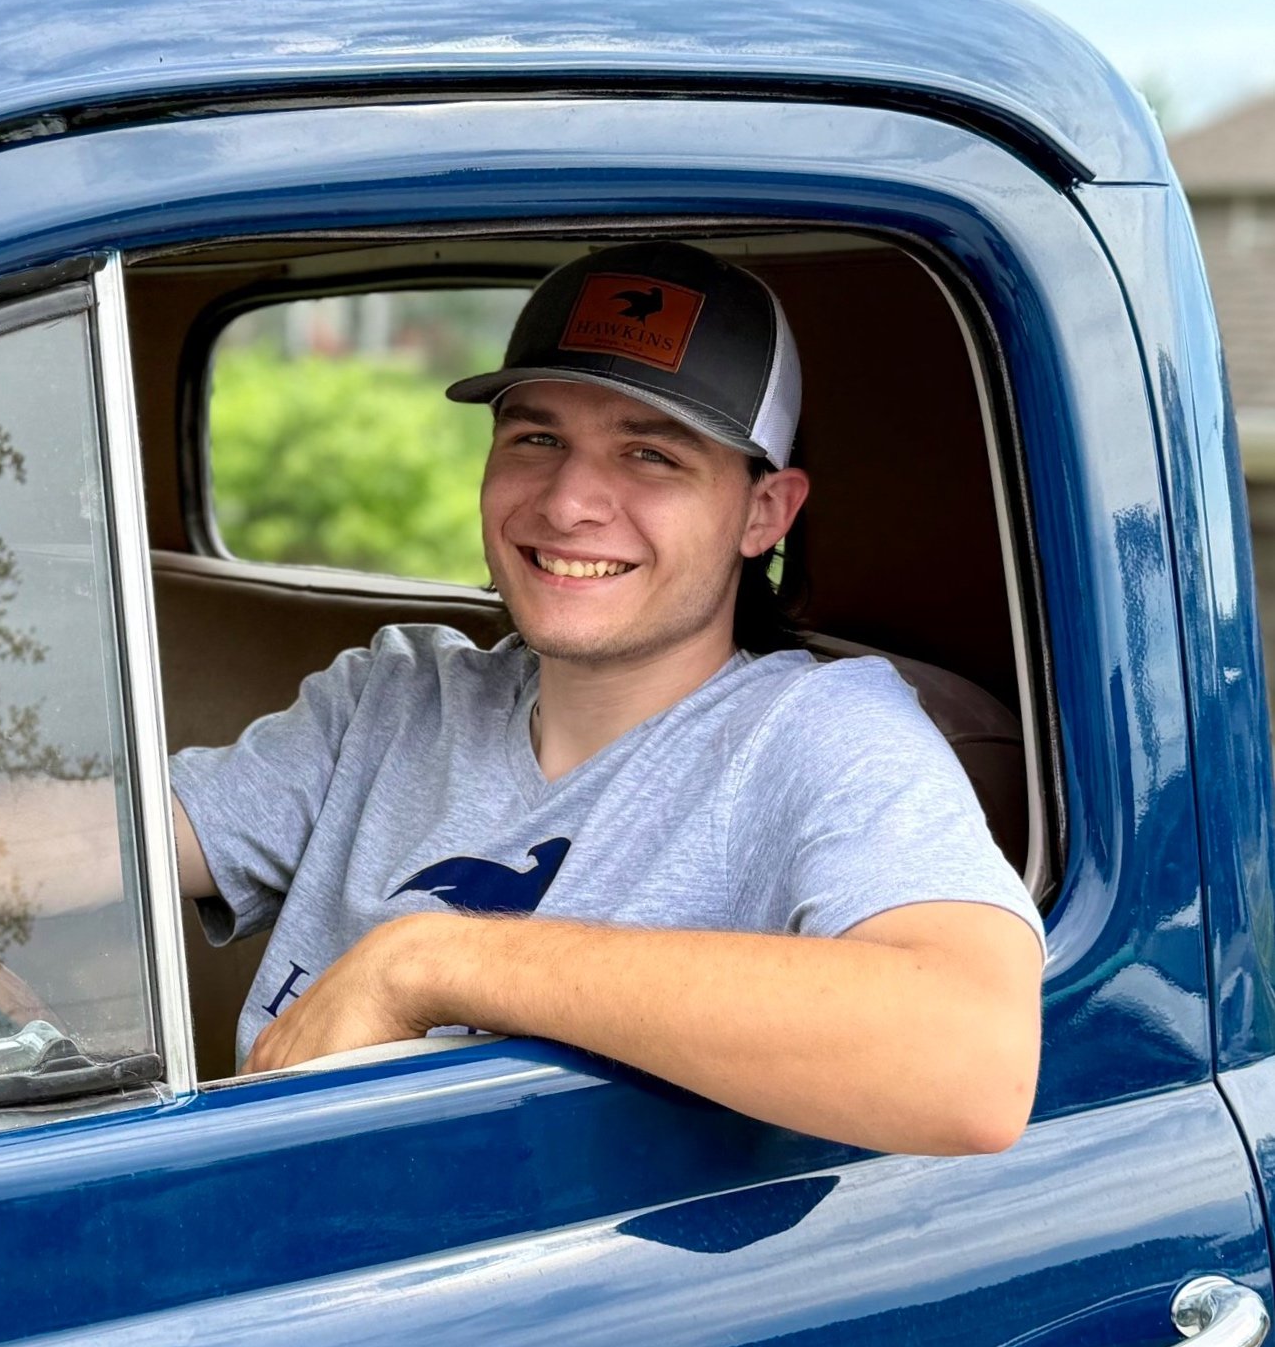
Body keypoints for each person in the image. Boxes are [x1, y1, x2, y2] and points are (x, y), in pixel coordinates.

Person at [169, 240, 1044, 1154]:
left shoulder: (820, 733)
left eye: (650, 455)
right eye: (538, 439)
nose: (570, 501)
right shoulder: (396, 695)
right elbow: (95, 846)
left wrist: (426, 961)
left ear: (764, 513)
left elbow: (972, 1062)